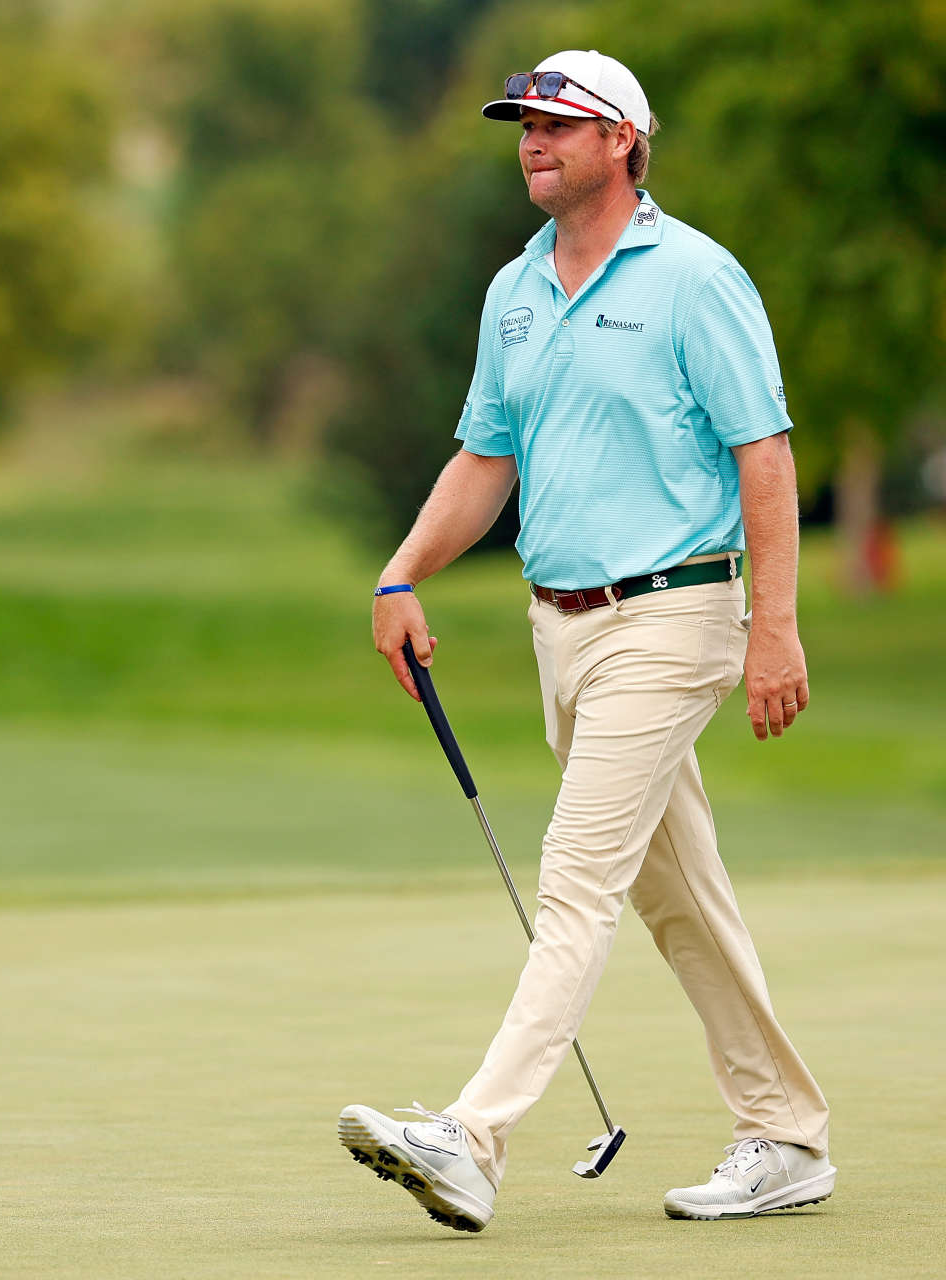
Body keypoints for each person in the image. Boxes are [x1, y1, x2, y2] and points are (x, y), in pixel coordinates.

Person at [338, 49, 832, 1232]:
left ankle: (471, 1136)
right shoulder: (514, 291)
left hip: (677, 613)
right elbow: (486, 460)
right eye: (522, 124)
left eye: (558, 122)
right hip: (561, 629)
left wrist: (777, 628)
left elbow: (764, 453)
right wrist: (402, 569)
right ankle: (787, 1133)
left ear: (623, 140)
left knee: (577, 881)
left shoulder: (695, 276)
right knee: (681, 899)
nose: (532, 140)